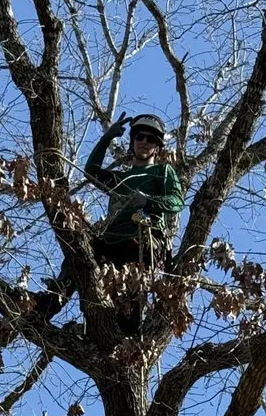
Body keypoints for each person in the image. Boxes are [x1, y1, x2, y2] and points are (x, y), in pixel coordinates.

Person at [38, 112, 184, 323]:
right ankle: (49, 302)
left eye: (151, 139)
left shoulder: (163, 171)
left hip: (141, 238)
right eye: (139, 137)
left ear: (157, 146)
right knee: (77, 255)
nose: (144, 142)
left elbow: (177, 201)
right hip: (111, 238)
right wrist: (106, 139)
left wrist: (148, 201)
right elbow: (92, 172)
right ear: (132, 141)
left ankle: (128, 323)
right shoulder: (121, 178)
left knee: (129, 287)